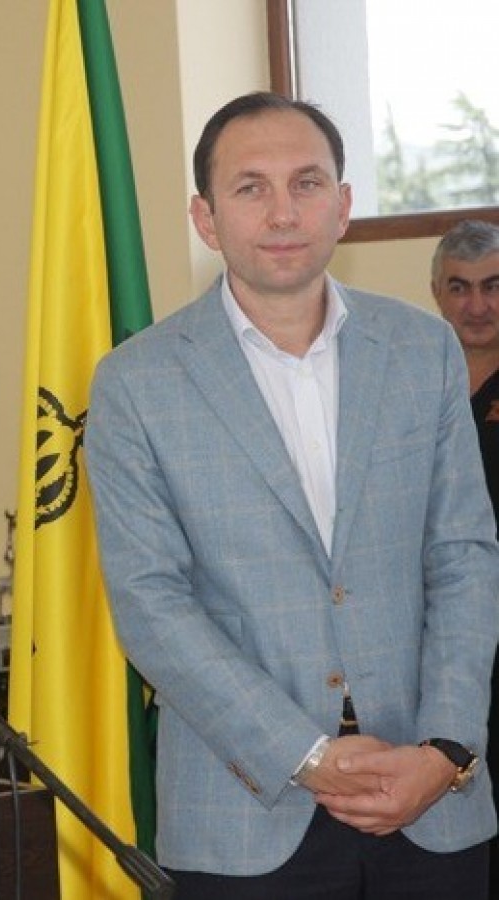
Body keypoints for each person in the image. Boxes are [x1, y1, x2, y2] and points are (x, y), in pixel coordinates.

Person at [85, 91, 499, 897]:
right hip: (243, 816)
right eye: (251, 188)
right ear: (206, 218)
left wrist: (446, 748)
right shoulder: (136, 383)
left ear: (342, 206)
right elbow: (151, 602)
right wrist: (304, 756)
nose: (283, 212)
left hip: (428, 798)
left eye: (306, 183)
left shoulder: (423, 351)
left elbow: (464, 558)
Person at [430, 217, 499, 884]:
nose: (477, 305)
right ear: (437, 295)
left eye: (492, 286)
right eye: (460, 287)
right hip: (444, 637)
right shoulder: (416, 383)